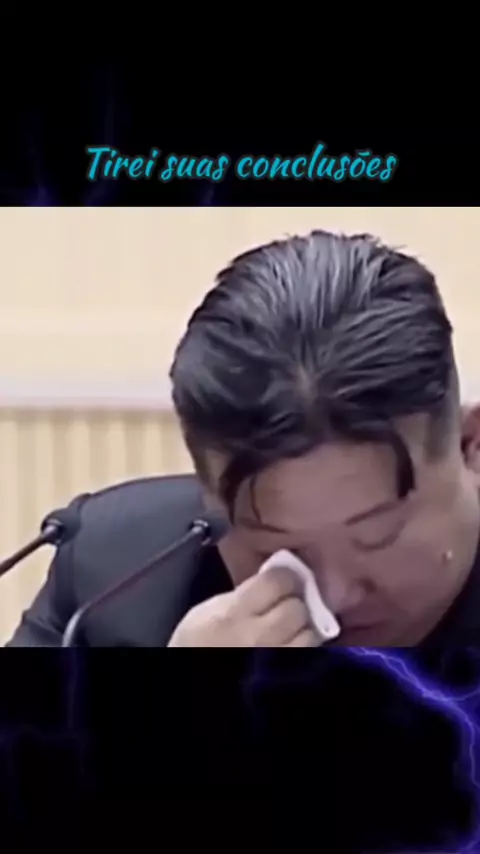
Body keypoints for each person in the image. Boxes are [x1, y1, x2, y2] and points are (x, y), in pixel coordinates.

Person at [7, 229, 480, 649]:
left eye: (378, 535)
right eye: (277, 554)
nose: (333, 599)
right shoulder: (114, 583)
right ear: (211, 501)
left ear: (470, 447)